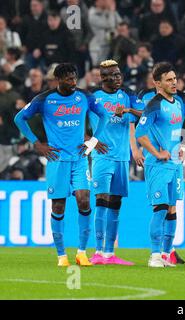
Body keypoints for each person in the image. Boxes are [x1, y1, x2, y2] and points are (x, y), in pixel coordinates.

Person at [14, 63, 109, 267]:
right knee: (58, 205)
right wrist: (37, 143)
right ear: (58, 79)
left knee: (84, 200)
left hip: (79, 158)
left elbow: (104, 115)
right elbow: (19, 118)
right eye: (68, 79)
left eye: (75, 78)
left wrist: (93, 140)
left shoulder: (84, 96)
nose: (73, 82)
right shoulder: (44, 99)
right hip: (57, 160)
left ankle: (82, 253)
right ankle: (61, 256)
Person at [135, 62, 185, 268]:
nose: (174, 83)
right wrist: (157, 152)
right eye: (169, 80)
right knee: (159, 208)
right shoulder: (154, 105)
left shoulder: (182, 101)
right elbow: (139, 134)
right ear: (157, 83)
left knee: (171, 209)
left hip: (176, 164)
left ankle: (167, 254)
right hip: (157, 165)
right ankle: (155, 255)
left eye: (175, 79)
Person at [88, 60, 144, 266]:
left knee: (116, 204)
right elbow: (77, 120)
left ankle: (110, 253)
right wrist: (91, 140)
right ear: (104, 78)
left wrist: (129, 111)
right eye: (113, 75)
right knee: (101, 201)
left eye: (119, 74)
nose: (119, 77)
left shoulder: (128, 95)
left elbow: (146, 114)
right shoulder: (93, 97)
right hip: (102, 157)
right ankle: (97, 252)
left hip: (122, 158)